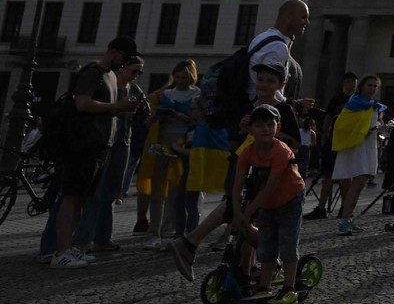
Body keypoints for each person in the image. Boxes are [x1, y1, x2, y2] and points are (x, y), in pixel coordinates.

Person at [171, 62, 298, 279]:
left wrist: (266, 132)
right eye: (260, 80)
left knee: (244, 216)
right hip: (243, 165)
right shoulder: (249, 106)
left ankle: (247, 264)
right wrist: (242, 130)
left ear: (281, 84)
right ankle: (249, 266)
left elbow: (295, 143)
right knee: (237, 210)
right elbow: (233, 142)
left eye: (270, 81)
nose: (264, 85)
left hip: (270, 173)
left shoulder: (284, 109)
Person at [45, 36, 143, 269]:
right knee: (71, 198)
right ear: (114, 52)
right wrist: (116, 107)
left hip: (99, 146)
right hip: (82, 145)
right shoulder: (92, 73)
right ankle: (59, 252)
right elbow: (82, 103)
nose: (124, 63)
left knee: (80, 199)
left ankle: (69, 247)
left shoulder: (109, 77)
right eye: (125, 58)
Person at [231, 104, 305, 304]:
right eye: (259, 125)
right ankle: (265, 285)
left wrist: (246, 213)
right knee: (266, 243)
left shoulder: (281, 150)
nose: (264, 129)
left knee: (288, 243)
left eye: (269, 125)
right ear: (250, 129)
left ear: (277, 127)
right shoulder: (247, 152)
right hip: (267, 203)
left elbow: (271, 186)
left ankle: (290, 288)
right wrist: (237, 212)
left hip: (290, 198)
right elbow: (236, 186)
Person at [144, 59, 199, 247]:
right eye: (177, 77)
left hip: (183, 145)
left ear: (191, 76)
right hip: (162, 142)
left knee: (177, 190)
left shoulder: (197, 95)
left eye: (185, 77)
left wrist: (181, 116)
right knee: (158, 188)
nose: (181, 80)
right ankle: (154, 231)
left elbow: (198, 121)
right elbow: (151, 119)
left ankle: (172, 229)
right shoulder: (166, 94)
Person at [330, 74, 388, 236]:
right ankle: (344, 220)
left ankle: (348, 218)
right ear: (361, 86)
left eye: (375, 86)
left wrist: (379, 130)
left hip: (367, 146)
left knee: (359, 184)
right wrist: (376, 130)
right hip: (355, 146)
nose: (372, 88)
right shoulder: (354, 103)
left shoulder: (373, 106)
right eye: (369, 85)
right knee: (356, 183)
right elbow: (344, 125)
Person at [306, 72, 357, 220]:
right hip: (334, 141)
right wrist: (325, 137)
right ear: (344, 84)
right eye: (348, 81)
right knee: (329, 175)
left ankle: (344, 208)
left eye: (354, 81)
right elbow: (328, 117)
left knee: (347, 177)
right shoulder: (337, 99)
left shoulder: (359, 100)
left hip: (349, 142)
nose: (351, 84)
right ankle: (321, 208)